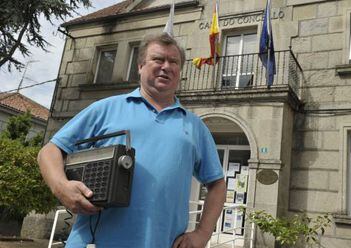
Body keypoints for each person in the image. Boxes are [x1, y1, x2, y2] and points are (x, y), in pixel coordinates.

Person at [37, 33, 226, 248]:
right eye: (158, 59)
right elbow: (50, 151)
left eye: (173, 62)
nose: (166, 66)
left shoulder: (195, 126)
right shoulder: (106, 108)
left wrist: (202, 233)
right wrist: (61, 186)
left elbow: (217, 184)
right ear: (140, 66)